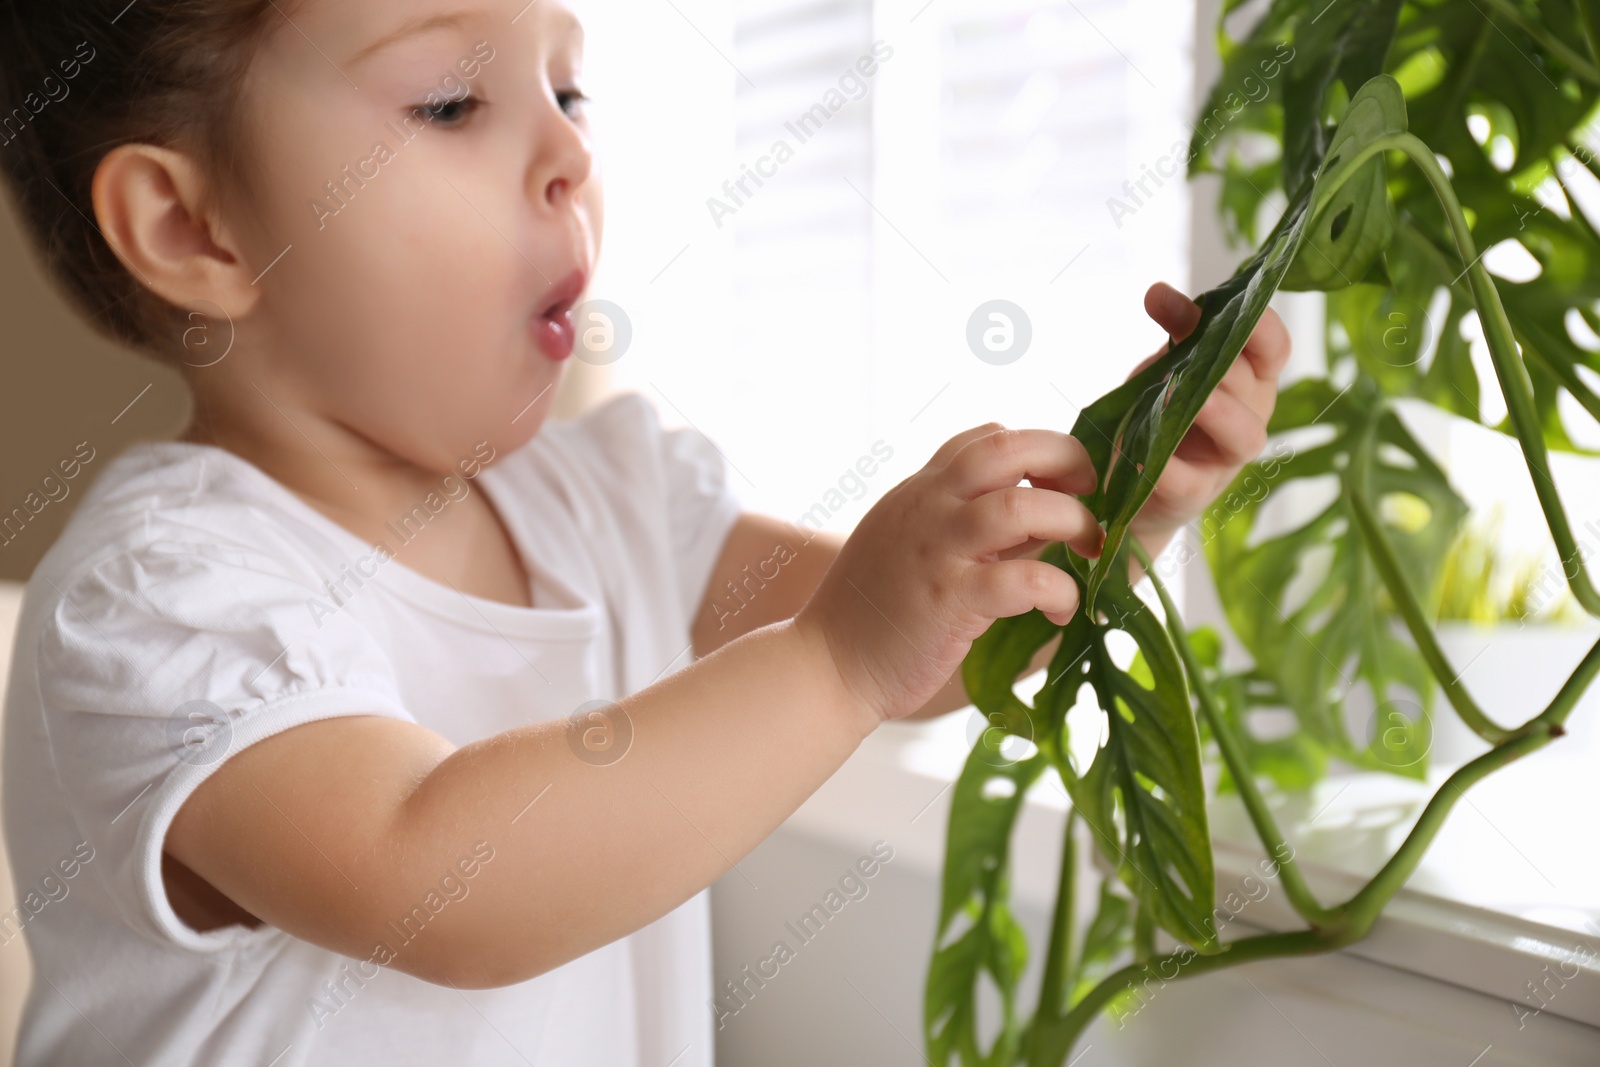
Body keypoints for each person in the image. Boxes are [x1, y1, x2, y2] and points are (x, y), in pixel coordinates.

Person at [0, 0, 1291, 1063]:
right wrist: (839, 658)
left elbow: (925, 655)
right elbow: (433, 881)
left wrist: (1118, 506)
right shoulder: (160, 596)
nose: (566, 159)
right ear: (192, 227)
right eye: (451, 103)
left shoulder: (612, 493)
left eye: (568, 92)